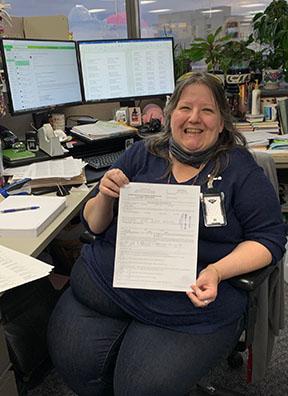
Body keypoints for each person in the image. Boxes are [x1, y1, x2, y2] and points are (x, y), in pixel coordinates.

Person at [47, 72, 286, 396]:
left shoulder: (238, 170)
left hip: (186, 306)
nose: (194, 118)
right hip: (105, 287)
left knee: (139, 388)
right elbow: (93, 225)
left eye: (207, 110)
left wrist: (216, 271)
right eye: (186, 107)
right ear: (171, 114)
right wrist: (104, 195)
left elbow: (269, 239)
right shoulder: (143, 154)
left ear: (221, 122)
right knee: (78, 367)